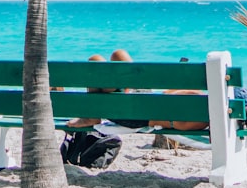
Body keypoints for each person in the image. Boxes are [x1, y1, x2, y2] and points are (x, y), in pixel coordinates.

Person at [66, 49, 209, 131]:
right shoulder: (198, 101)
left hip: (133, 113)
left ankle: (92, 117)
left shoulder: (198, 120)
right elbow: (166, 93)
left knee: (95, 61)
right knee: (118, 54)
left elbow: (160, 121)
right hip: (140, 94)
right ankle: (124, 87)